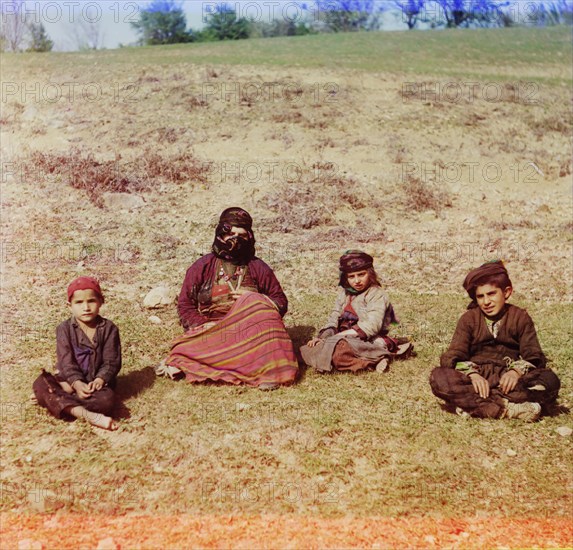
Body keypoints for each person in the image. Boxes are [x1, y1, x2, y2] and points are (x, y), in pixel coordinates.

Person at [156, 207, 298, 389]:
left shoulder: (258, 267)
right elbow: (185, 306)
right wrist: (202, 324)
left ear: (249, 237)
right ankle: (245, 364)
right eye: (230, 233)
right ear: (220, 234)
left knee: (266, 326)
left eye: (241, 235)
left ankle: (265, 371)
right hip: (215, 330)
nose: (235, 239)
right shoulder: (202, 266)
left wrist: (255, 298)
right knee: (182, 350)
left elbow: (280, 301)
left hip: (249, 331)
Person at [429, 260, 560, 422]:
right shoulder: (469, 319)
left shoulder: (520, 317)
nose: (486, 302)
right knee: (439, 378)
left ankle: (475, 405)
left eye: (491, 294)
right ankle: (509, 409)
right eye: (480, 296)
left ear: (506, 292)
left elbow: (534, 355)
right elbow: (453, 355)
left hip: (507, 381)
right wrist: (473, 375)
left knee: (550, 380)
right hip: (477, 379)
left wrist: (515, 372)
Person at [300, 250, 412, 373]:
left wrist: (337, 337)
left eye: (361, 274)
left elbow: (372, 326)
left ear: (370, 273)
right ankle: (373, 358)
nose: (357, 281)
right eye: (351, 277)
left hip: (366, 338)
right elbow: (334, 316)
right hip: (342, 337)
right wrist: (322, 337)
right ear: (345, 278)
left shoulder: (376, 294)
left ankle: (376, 356)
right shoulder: (344, 294)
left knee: (339, 351)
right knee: (305, 350)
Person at [32, 277, 121, 430]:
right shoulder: (64, 329)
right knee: (41, 382)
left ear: (101, 301)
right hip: (69, 381)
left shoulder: (109, 328)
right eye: (79, 302)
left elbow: (111, 361)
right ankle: (91, 416)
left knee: (107, 400)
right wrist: (77, 383)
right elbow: (66, 361)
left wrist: (100, 379)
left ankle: (53, 398)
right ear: (70, 306)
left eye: (91, 301)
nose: (86, 307)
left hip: (95, 386)